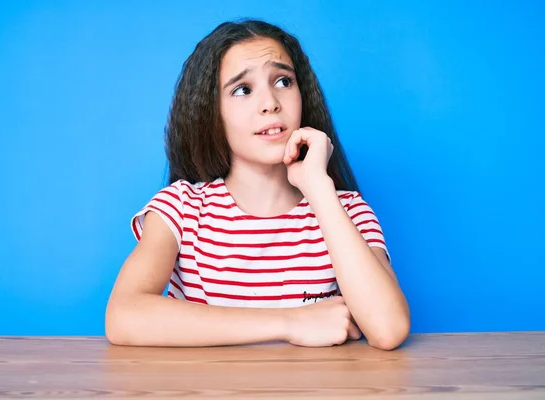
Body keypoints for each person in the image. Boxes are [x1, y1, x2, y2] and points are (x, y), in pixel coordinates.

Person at [105, 19, 410, 350]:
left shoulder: (345, 209)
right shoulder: (180, 209)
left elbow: (388, 328)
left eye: (283, 81)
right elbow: (123, 315)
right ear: (211, 113)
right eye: (242, 90)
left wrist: (319, 190)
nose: (270, 103)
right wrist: (290, 323)